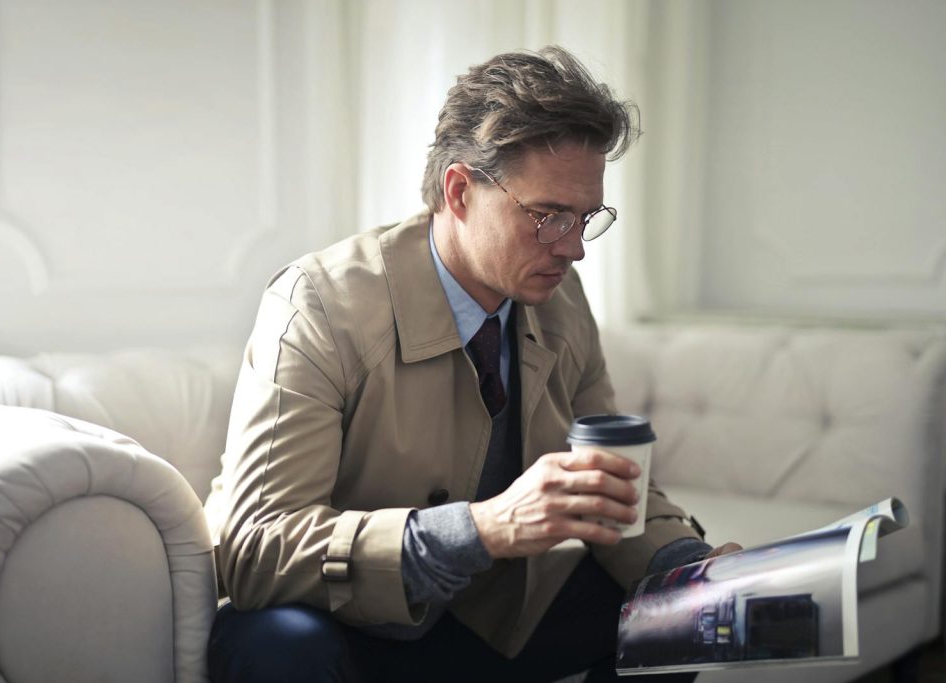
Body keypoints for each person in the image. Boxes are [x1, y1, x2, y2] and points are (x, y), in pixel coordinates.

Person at [205, 45, 739, 682]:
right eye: (548, 216)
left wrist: (689, 564)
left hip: (489, 620)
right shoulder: (318, 304)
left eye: (586, 218)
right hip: (347, 624)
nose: (573, 249)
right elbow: (254, 549)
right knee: (277, 643)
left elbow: (613, 485)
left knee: (676, 613)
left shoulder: (561, 297)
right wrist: (480, 529)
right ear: (459, 191)